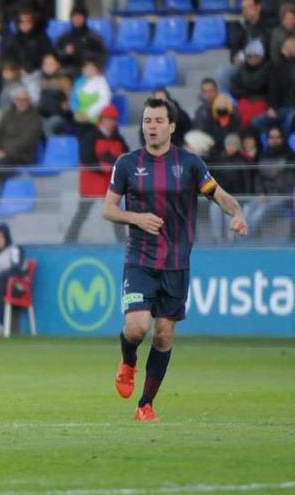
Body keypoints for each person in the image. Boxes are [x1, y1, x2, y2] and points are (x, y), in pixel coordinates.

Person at [103, 97, 248, 422]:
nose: (151, 126)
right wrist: (137, 219)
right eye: (146, 121)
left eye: (157, 121)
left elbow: (218, 195)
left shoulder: (191, 164)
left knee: (164, 334)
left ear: (171, 126)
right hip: (140, 258)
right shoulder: (127, 163)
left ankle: (146, 405)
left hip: (177, 262)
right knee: (137, 327)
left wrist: (237, 212)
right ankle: (128, 362)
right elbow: (107, 209)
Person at [65, 105, 129, 243]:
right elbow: (86, 158)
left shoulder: (118, 138)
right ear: (101, 120)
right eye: (107, 119)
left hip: (109, 183)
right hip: (92, 182)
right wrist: (101, 167)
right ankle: (69, 240)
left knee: (115, 213)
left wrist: (112, 164)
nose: (110, 122)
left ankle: (122, 242)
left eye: (112, 120)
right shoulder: (91, 136)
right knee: (83, 212)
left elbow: (125, 156)